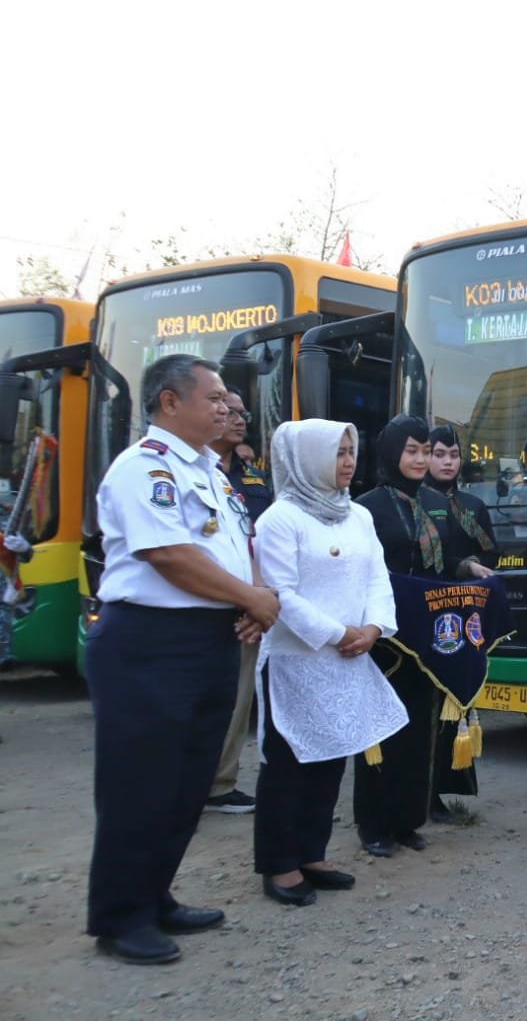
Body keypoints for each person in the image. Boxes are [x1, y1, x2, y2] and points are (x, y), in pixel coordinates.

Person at [83, 354, 280, 965]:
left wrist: (253, 600)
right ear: (171, 402)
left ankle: (153, 894)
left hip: (208, 636)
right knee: (141, 784)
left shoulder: (213, 473)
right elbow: (168, 554)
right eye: (215, 397)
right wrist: (252, 598)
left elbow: (231, 544)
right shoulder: (144, 468)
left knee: (188, 784)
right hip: (150, 642)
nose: (226, 407)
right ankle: (120, 918)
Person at [251, 419, 408, 906]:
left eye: (350, 451)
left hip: (350, 655)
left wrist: (375, 628)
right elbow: (281, 595)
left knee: (332, 756)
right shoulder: (280, 519)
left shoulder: (356, 515)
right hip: (299, 659)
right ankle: (279, 863)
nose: (348, 462)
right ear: (308, 459)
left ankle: (312, 853)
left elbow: (378, 578)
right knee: (290, 761)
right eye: (338, 453)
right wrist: (339, 633)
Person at [352, 415, 489, 858]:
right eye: (412, 450)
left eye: (426, 451)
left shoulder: (436, 501)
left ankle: (407, 819)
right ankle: (373, 824)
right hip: (384, 635)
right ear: (392, 452)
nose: (421, 459)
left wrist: (469, 569)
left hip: (430, 634)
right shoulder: (366, 507)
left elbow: (448, 559)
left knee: (419, 727)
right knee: (381, 728)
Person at [204, 390, 275, 816]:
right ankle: (189, 787)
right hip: (206, 602)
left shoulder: (253, 477)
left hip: (250, 607)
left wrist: (261, 598)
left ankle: (220, 784)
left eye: (243, 413)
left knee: (239, 698)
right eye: (229, 411)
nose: (238, 419)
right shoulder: (189, 472)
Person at [424, 424, 498, 823]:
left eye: (453, 455)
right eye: (439, 454)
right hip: (425, 616)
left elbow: (493, 556)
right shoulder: (414, 501)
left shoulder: (473, 506)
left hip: (465, 618)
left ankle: (443, 792)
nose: (447, 462)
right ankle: (423, 794)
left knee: (457, 704)